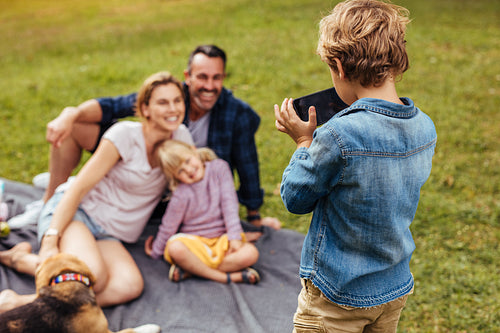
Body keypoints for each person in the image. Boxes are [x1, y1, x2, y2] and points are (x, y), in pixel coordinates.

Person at [274, 0, 437, 332]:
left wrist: (304, 143)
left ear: (339, 66)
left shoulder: (339, 135)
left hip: (337, 296)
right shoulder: (425, 127)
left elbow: (295, 198)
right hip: (392, 287)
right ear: (397, 61)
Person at [8, 45, 280, 230]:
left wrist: (254, 216)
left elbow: (248, 165)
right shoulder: (169, 95)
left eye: (217, 78)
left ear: (223, 78)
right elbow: (113, 106)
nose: (209, 86)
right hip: (141, 162)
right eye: (202, 77)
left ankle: (78, 183)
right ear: (187, 77)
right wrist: (69, 114)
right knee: (76, 126)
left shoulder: (237, 114)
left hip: (176, 188)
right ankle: (51, 197)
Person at [0, 71, 193, 313]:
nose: (172, 108)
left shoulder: (182, 138)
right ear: (145, 109)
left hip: (109, 232)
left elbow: (193, 187)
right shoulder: (125, 135)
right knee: (94, 276)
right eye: (162, 102)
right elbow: (78, 187)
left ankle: (22, 263)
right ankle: (15, 301)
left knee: (128, 285)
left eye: (177, 101)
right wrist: (50, 240)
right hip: (79, 214)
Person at [144, 140, 260, 284]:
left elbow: (229, 205)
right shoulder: (181, 192)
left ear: (194, 151)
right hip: (196, 244)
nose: (188, 170)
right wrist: (156, 251)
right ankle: (224, 277)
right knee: (175, 248)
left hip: (222, 241)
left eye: (187, 161)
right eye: (180, 171)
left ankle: (191, 270)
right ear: (174, 177)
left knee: (250, 254)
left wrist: (234, 237)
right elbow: (169, 225)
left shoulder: (219, 169)